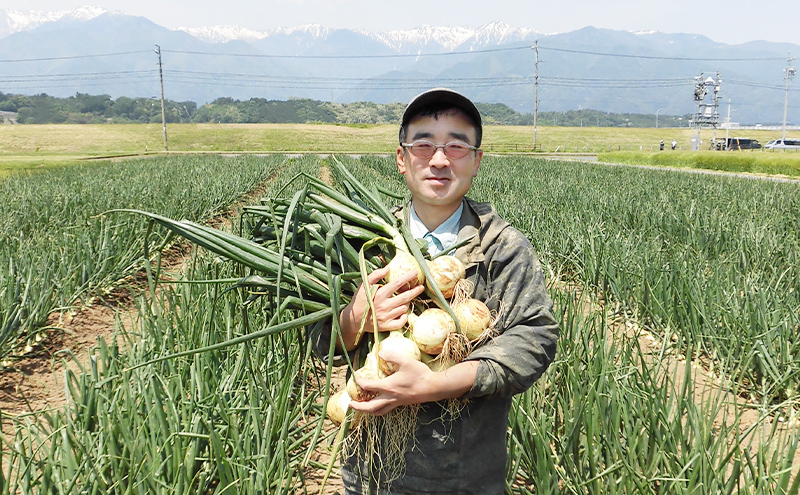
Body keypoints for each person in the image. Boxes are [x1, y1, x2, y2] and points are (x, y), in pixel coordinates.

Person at [310, 88, 559, 494]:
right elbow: (317, 339)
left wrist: (437, 384)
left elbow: (535, 338)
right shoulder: (358, 242)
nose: (439, 160)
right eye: (423, 145)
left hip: (460, 474)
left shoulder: (502, 247)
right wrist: (354, 320)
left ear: (477, 161)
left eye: (456, 147)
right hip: (368, 470)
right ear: (401, 158)